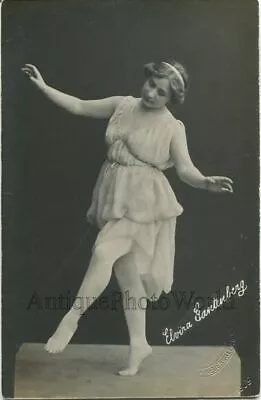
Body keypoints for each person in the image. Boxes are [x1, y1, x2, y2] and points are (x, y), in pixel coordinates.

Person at [21, 60, 234, 376]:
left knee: (104, 251)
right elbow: (79, 106)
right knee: (128, 277)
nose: (151, 94)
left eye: (161, 93)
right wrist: (43, 86)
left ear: (170, 98)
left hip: (144, 201)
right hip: (114, 193)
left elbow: (185, 168)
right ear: (146, 79)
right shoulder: (122, 105)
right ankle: (139, 345)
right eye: (151, 84)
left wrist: (204, 182)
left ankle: (71, 319)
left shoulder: (172, 128)